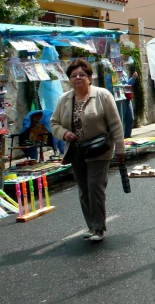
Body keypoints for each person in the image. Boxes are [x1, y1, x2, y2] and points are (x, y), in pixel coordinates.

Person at [51, 59, 125, 243]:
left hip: (99, 150)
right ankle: (91, 225)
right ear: (69, 79)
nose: (78, 78)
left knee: (95, 188)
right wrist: (65, 133)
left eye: (82, 75)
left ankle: (99, 228)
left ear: (90, 78)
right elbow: (54, 123)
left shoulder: (102, 95)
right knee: (84, 190)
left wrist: (121, 149)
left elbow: (115, 125)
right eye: (74, 75)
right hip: (76, 152)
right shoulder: (64, 99)